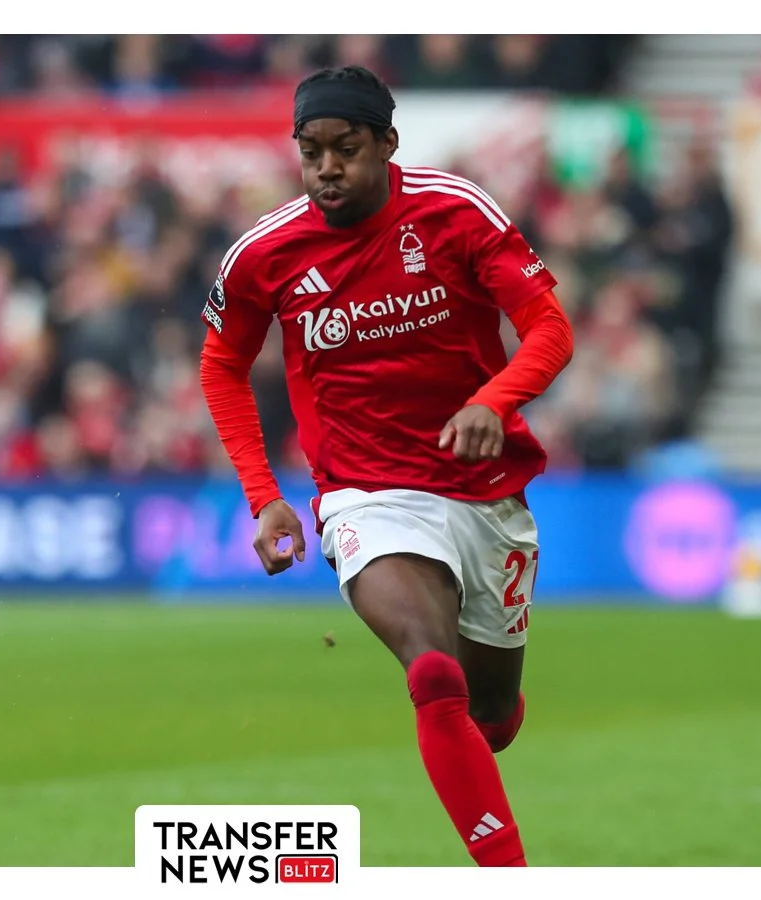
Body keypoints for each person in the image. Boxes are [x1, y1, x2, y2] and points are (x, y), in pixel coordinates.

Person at [197, 65, 574, 868]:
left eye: (347, 148)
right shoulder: (265, 253)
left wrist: (494, 401)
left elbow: (549, 327)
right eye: (311, 152)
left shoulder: (454, 211)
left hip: (483, 493)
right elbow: (221, 366)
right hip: (368, 495)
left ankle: (484, 730)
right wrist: (265, 497)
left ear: (388, 145)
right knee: (431, 671)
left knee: (492, 719)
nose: (327, 167)